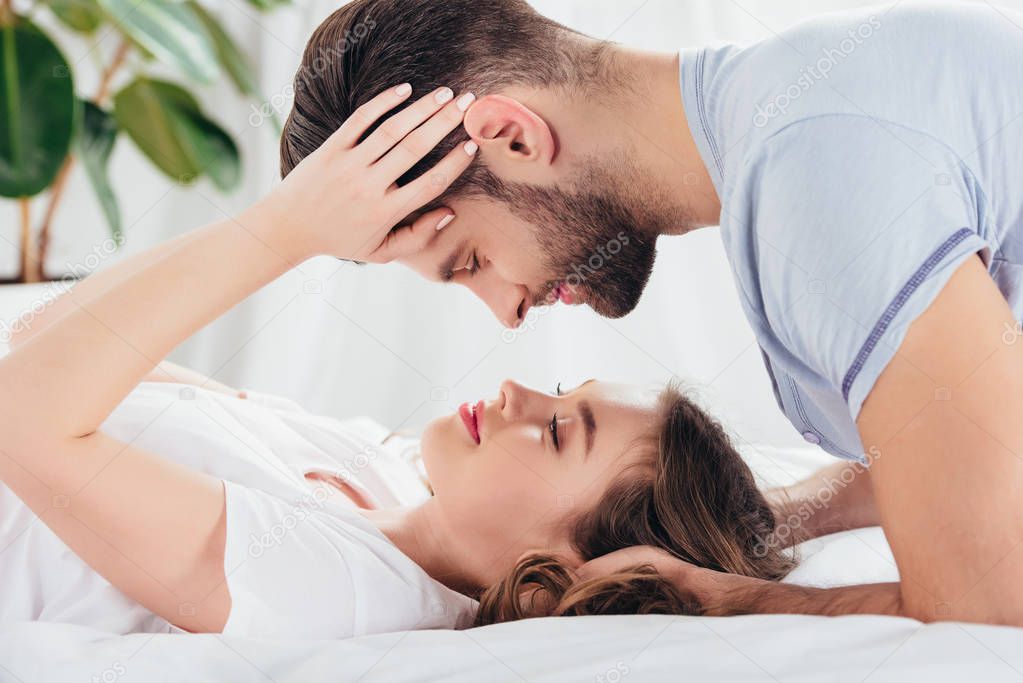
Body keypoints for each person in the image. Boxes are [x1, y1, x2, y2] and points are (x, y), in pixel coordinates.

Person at [280, 0, 1023, 626]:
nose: (506, 312)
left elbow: (986, 610)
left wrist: (731, 597)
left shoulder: (813, 180)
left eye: (471, 259)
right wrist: (764, 512)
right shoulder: (795, 115)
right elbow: (952, 455)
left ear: (513, 136)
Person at [0, 86, 792, 639]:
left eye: (556, 433)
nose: (515, 389)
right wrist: (281, 225)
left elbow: (22, 416)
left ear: (557, 575)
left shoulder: (345, 591)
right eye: (555, 394)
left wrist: (285, 233)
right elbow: (46, 335)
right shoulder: (378, 472)